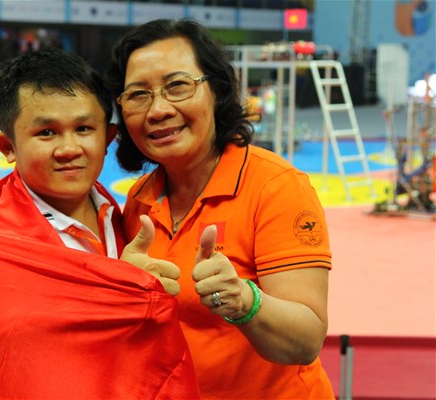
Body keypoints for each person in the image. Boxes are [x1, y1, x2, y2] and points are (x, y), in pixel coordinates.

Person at [0, 48, 200, 399]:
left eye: (83, 128)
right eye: (47, 132)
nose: (69, 148)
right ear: (7, 146)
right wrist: (123, 291)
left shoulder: (124, 215)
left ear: (107, 139)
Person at [106, 19, 334, 399]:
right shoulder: (139, 200)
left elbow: (306, 340)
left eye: (177, 85)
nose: (158, 109)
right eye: (138, 94)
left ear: (217, 90)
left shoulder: (274, 186)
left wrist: (246, 302)